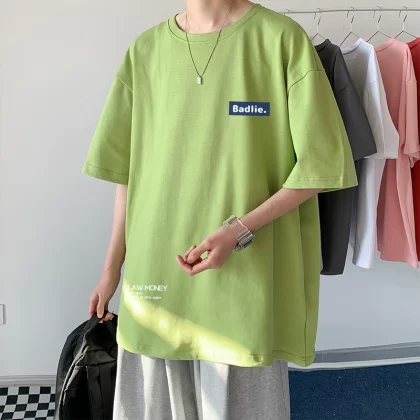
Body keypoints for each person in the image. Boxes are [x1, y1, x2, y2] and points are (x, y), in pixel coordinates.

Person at [83, 1, 357, 419]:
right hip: (155, 277)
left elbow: (320, 166)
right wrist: (110, 269)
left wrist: (239, 230)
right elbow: (127, 174)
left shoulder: (280, 40)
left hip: (243, 281)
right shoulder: (145, 51)